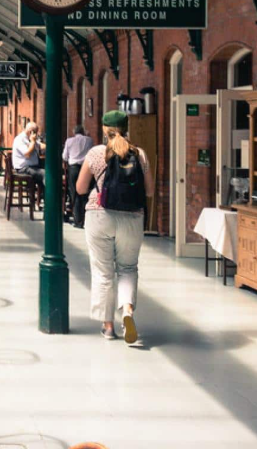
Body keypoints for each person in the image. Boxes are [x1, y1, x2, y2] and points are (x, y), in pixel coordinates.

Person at [76, 110, 153, 344]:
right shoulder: (139, 154)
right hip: (132, 217)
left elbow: (80, 188)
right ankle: (127, 311)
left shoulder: (96, 153)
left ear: (104, 128)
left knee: (102, 271)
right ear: (126, 127)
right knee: (128, 268)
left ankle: (108, 326)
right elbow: (148, 191)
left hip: (100, 215)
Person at [63, 125, 95, 229]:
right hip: (85, 168)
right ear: (83, 132)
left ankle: (78, 220)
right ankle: (86, 218)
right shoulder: (89, 140)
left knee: (74, 194)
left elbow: (64, 157)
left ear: (74, 132)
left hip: (73, 169)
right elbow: (92, 153)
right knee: (85, 192)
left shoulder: (69, 141)